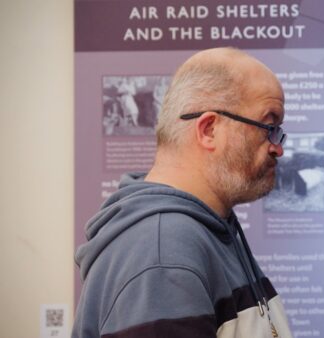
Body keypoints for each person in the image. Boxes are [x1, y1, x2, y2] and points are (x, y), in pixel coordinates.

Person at [72, 47, 292, 338]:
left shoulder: (207, 231)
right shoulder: (162, 251)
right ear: (209, 129)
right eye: (268, 125)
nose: (278, 147)